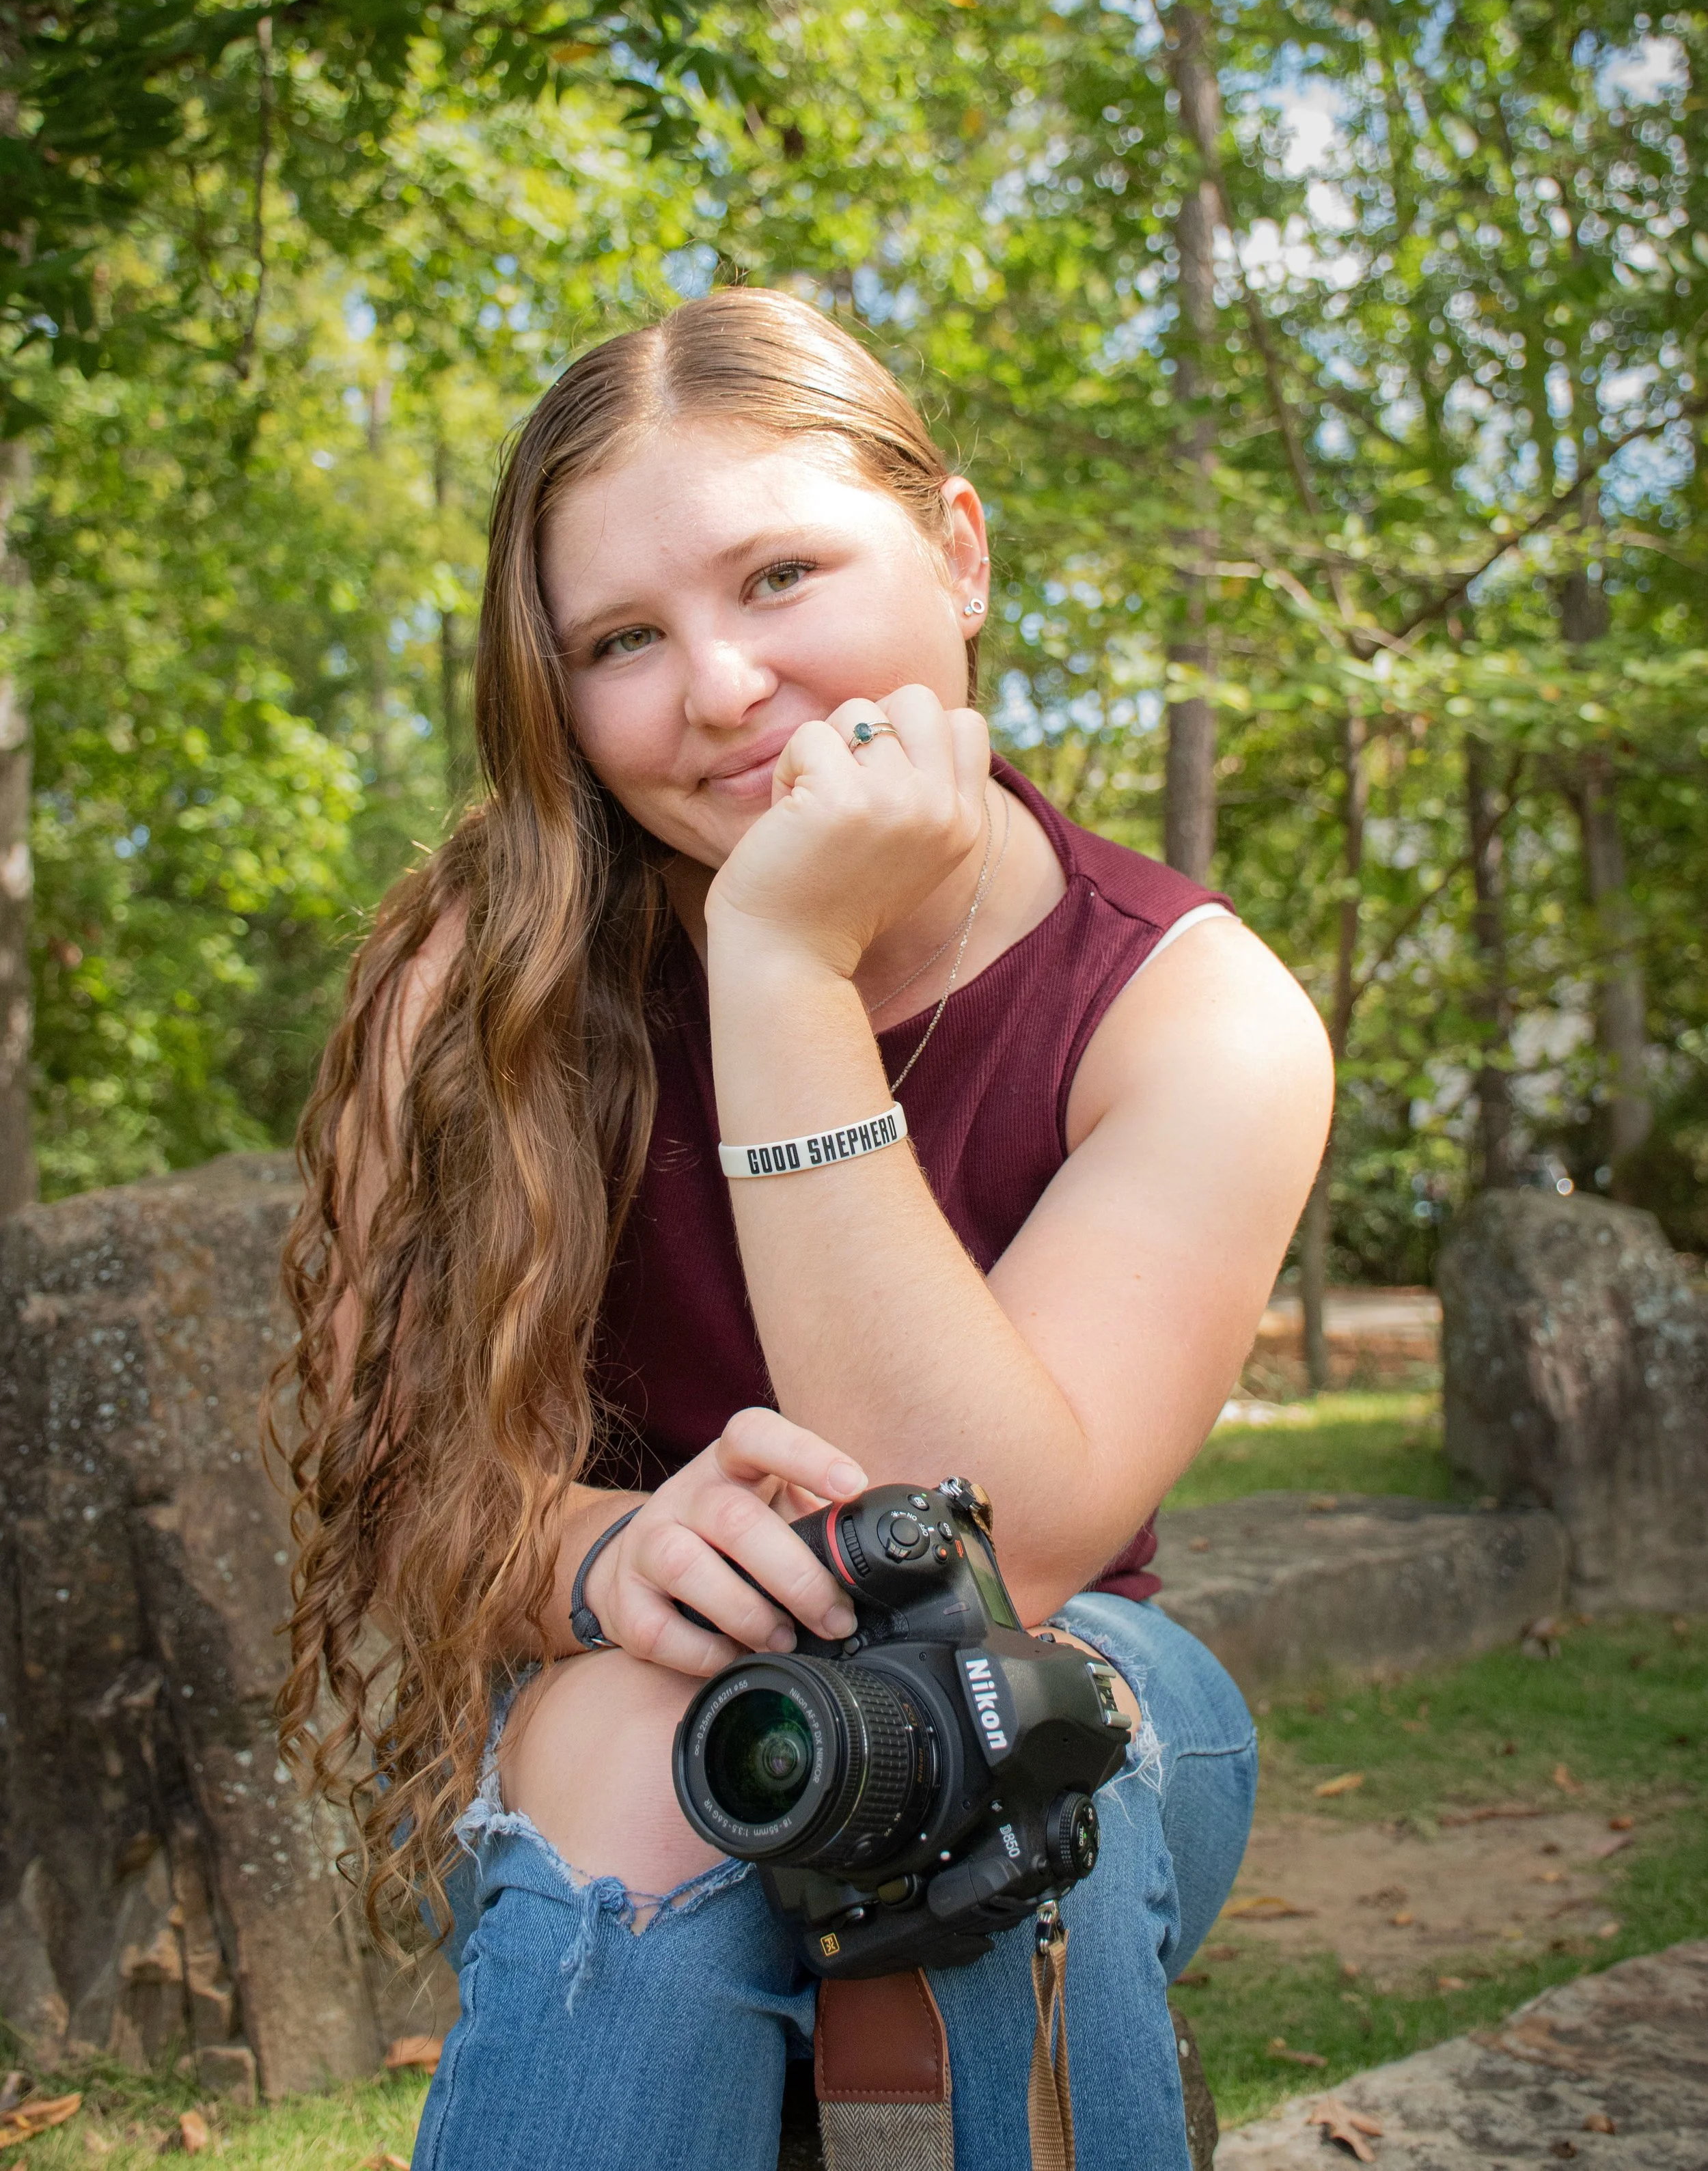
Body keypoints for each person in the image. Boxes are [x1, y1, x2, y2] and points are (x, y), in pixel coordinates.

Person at [273, 287, 1332, 2170]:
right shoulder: (477, 973)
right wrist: (596, 1551)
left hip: (1084, 1680)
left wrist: (779, 959)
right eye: (620, 638)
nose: (718, 688)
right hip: (642, 1697)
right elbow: (384, 1472)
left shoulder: (1195, 1012)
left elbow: (990, 1529)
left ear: (958, 549)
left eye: (778, 573)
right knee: (657, 1779)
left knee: (977, 1724)